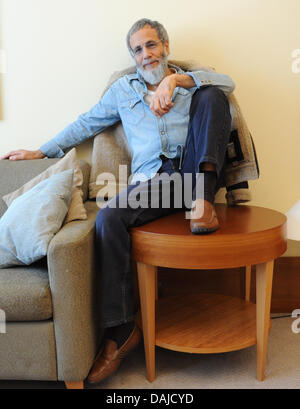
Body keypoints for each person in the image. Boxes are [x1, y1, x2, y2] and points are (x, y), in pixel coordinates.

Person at [0, 18, 235, 384]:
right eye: (138, 49)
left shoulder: (193, 81)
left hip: (195, 173)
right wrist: (39, 150)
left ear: (166, 45)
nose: (146, 55)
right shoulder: (122, 91)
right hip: (156, 182)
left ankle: (202, 204)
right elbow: (85, 124)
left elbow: (228, 84)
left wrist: (176, 81)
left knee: (213, 95)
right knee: (109, 218)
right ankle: (123, 330)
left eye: (152, 45)